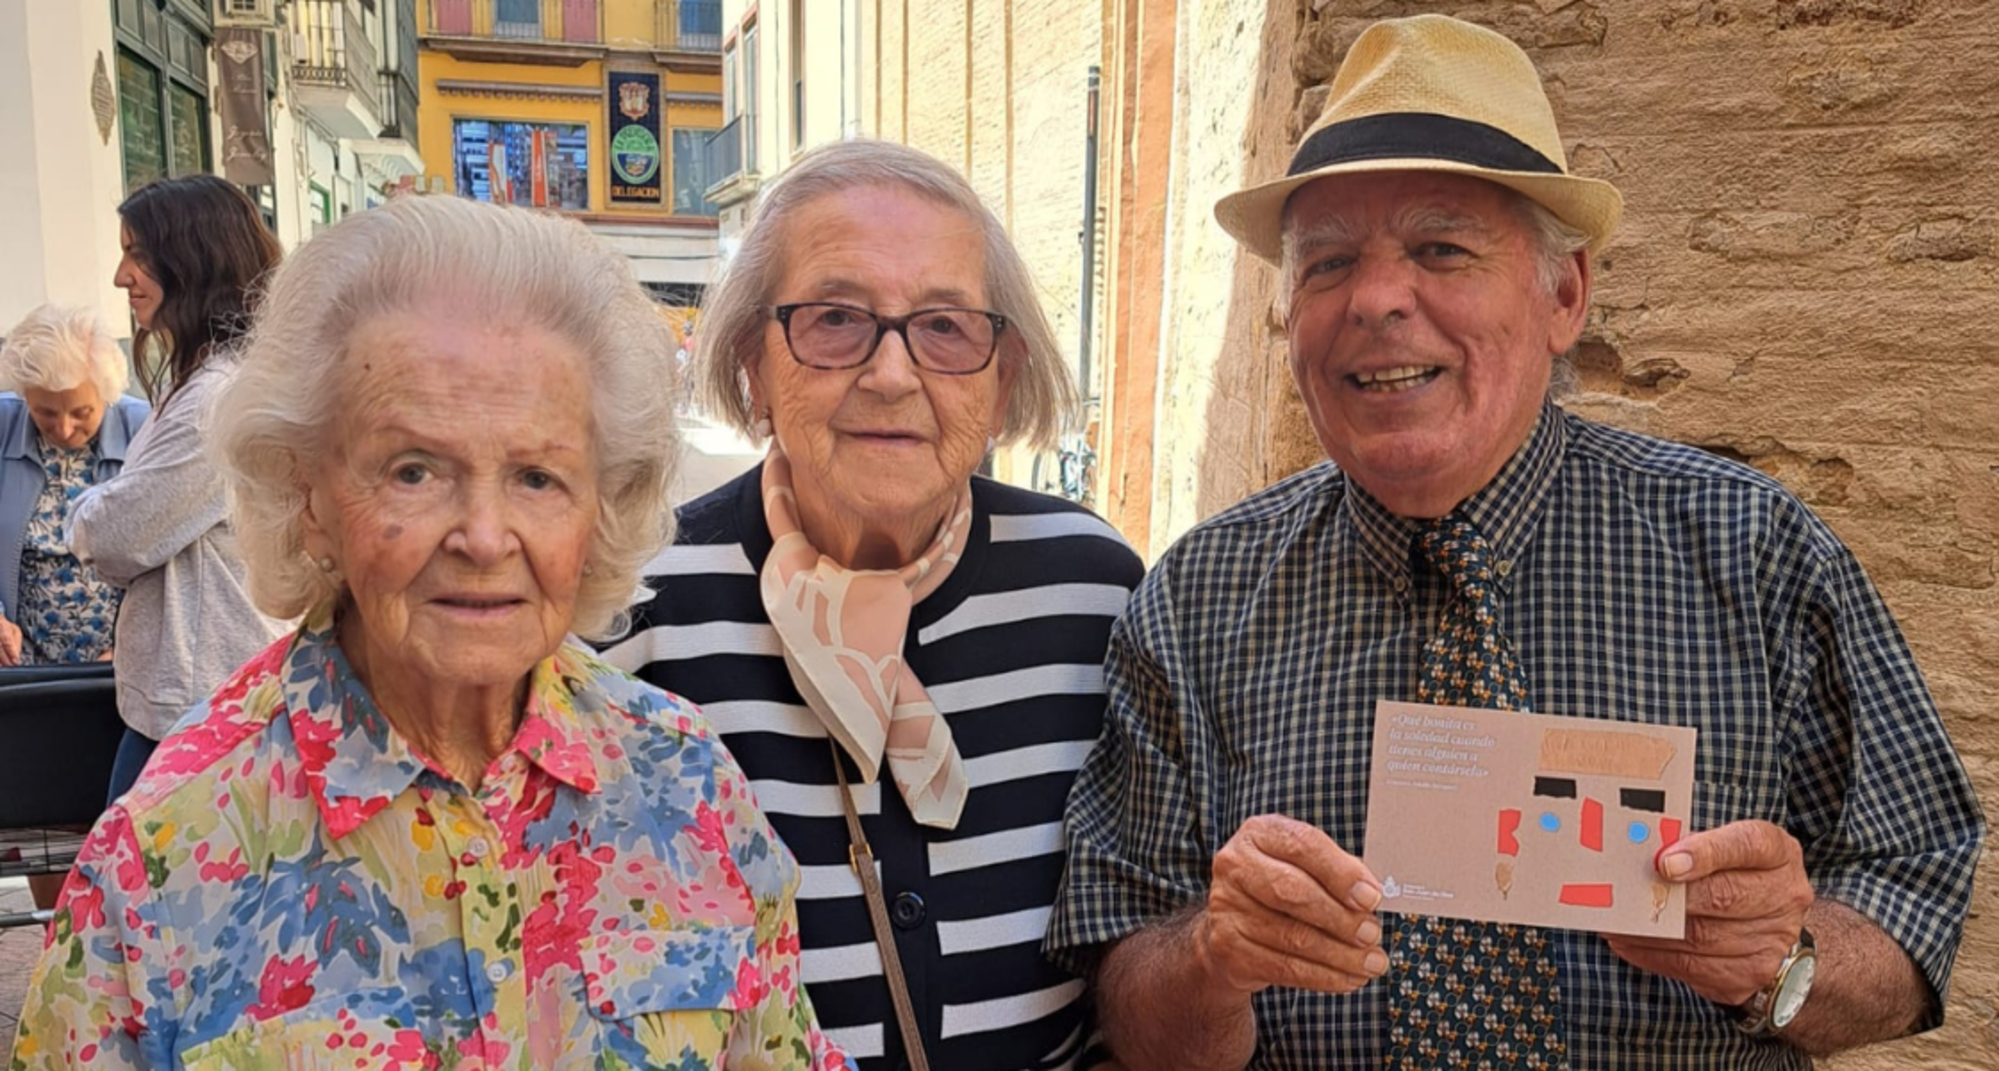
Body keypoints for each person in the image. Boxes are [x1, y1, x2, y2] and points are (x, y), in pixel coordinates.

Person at [1046, 15, 1983, 1071]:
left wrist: (1780, 962)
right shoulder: (1196, 601)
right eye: (1326, 264)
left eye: (1440, 248)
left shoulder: (1755, 551)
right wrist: (1216, 956)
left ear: (1565, 294)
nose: (1376, 299)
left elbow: (1912, 914)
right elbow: (1130, 1013)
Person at [13, 194, 850, 1070]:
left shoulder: (687, 784)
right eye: (413, 470)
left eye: (537, 476)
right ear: (309, 496)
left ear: (600, 504)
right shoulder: (163, 851)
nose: (484, 537)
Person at [604, 139, 1145, 1071]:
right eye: (834, 319)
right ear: (751, 368)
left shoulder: (1092, 590)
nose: (893, 374)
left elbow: (1133, 940)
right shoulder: (639, 605)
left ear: (1002, 373)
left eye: (944, 326)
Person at [70, 174, 289, 803]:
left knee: (132, 893)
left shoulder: (214, 400)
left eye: (137, 254)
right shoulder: (209, 382)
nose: (121, 276)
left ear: (192, 259)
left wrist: (86, 511)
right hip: (200, 700)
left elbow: (116, 537)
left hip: (202, 710)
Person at [0, 304, 150, 666]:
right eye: (45, 413)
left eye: (82, 413)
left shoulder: (145, 429)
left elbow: (171, 557)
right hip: (18, 667)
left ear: (108, 395)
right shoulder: (4, 423)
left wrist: (135, 644)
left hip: (122, 663)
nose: (64, 429)